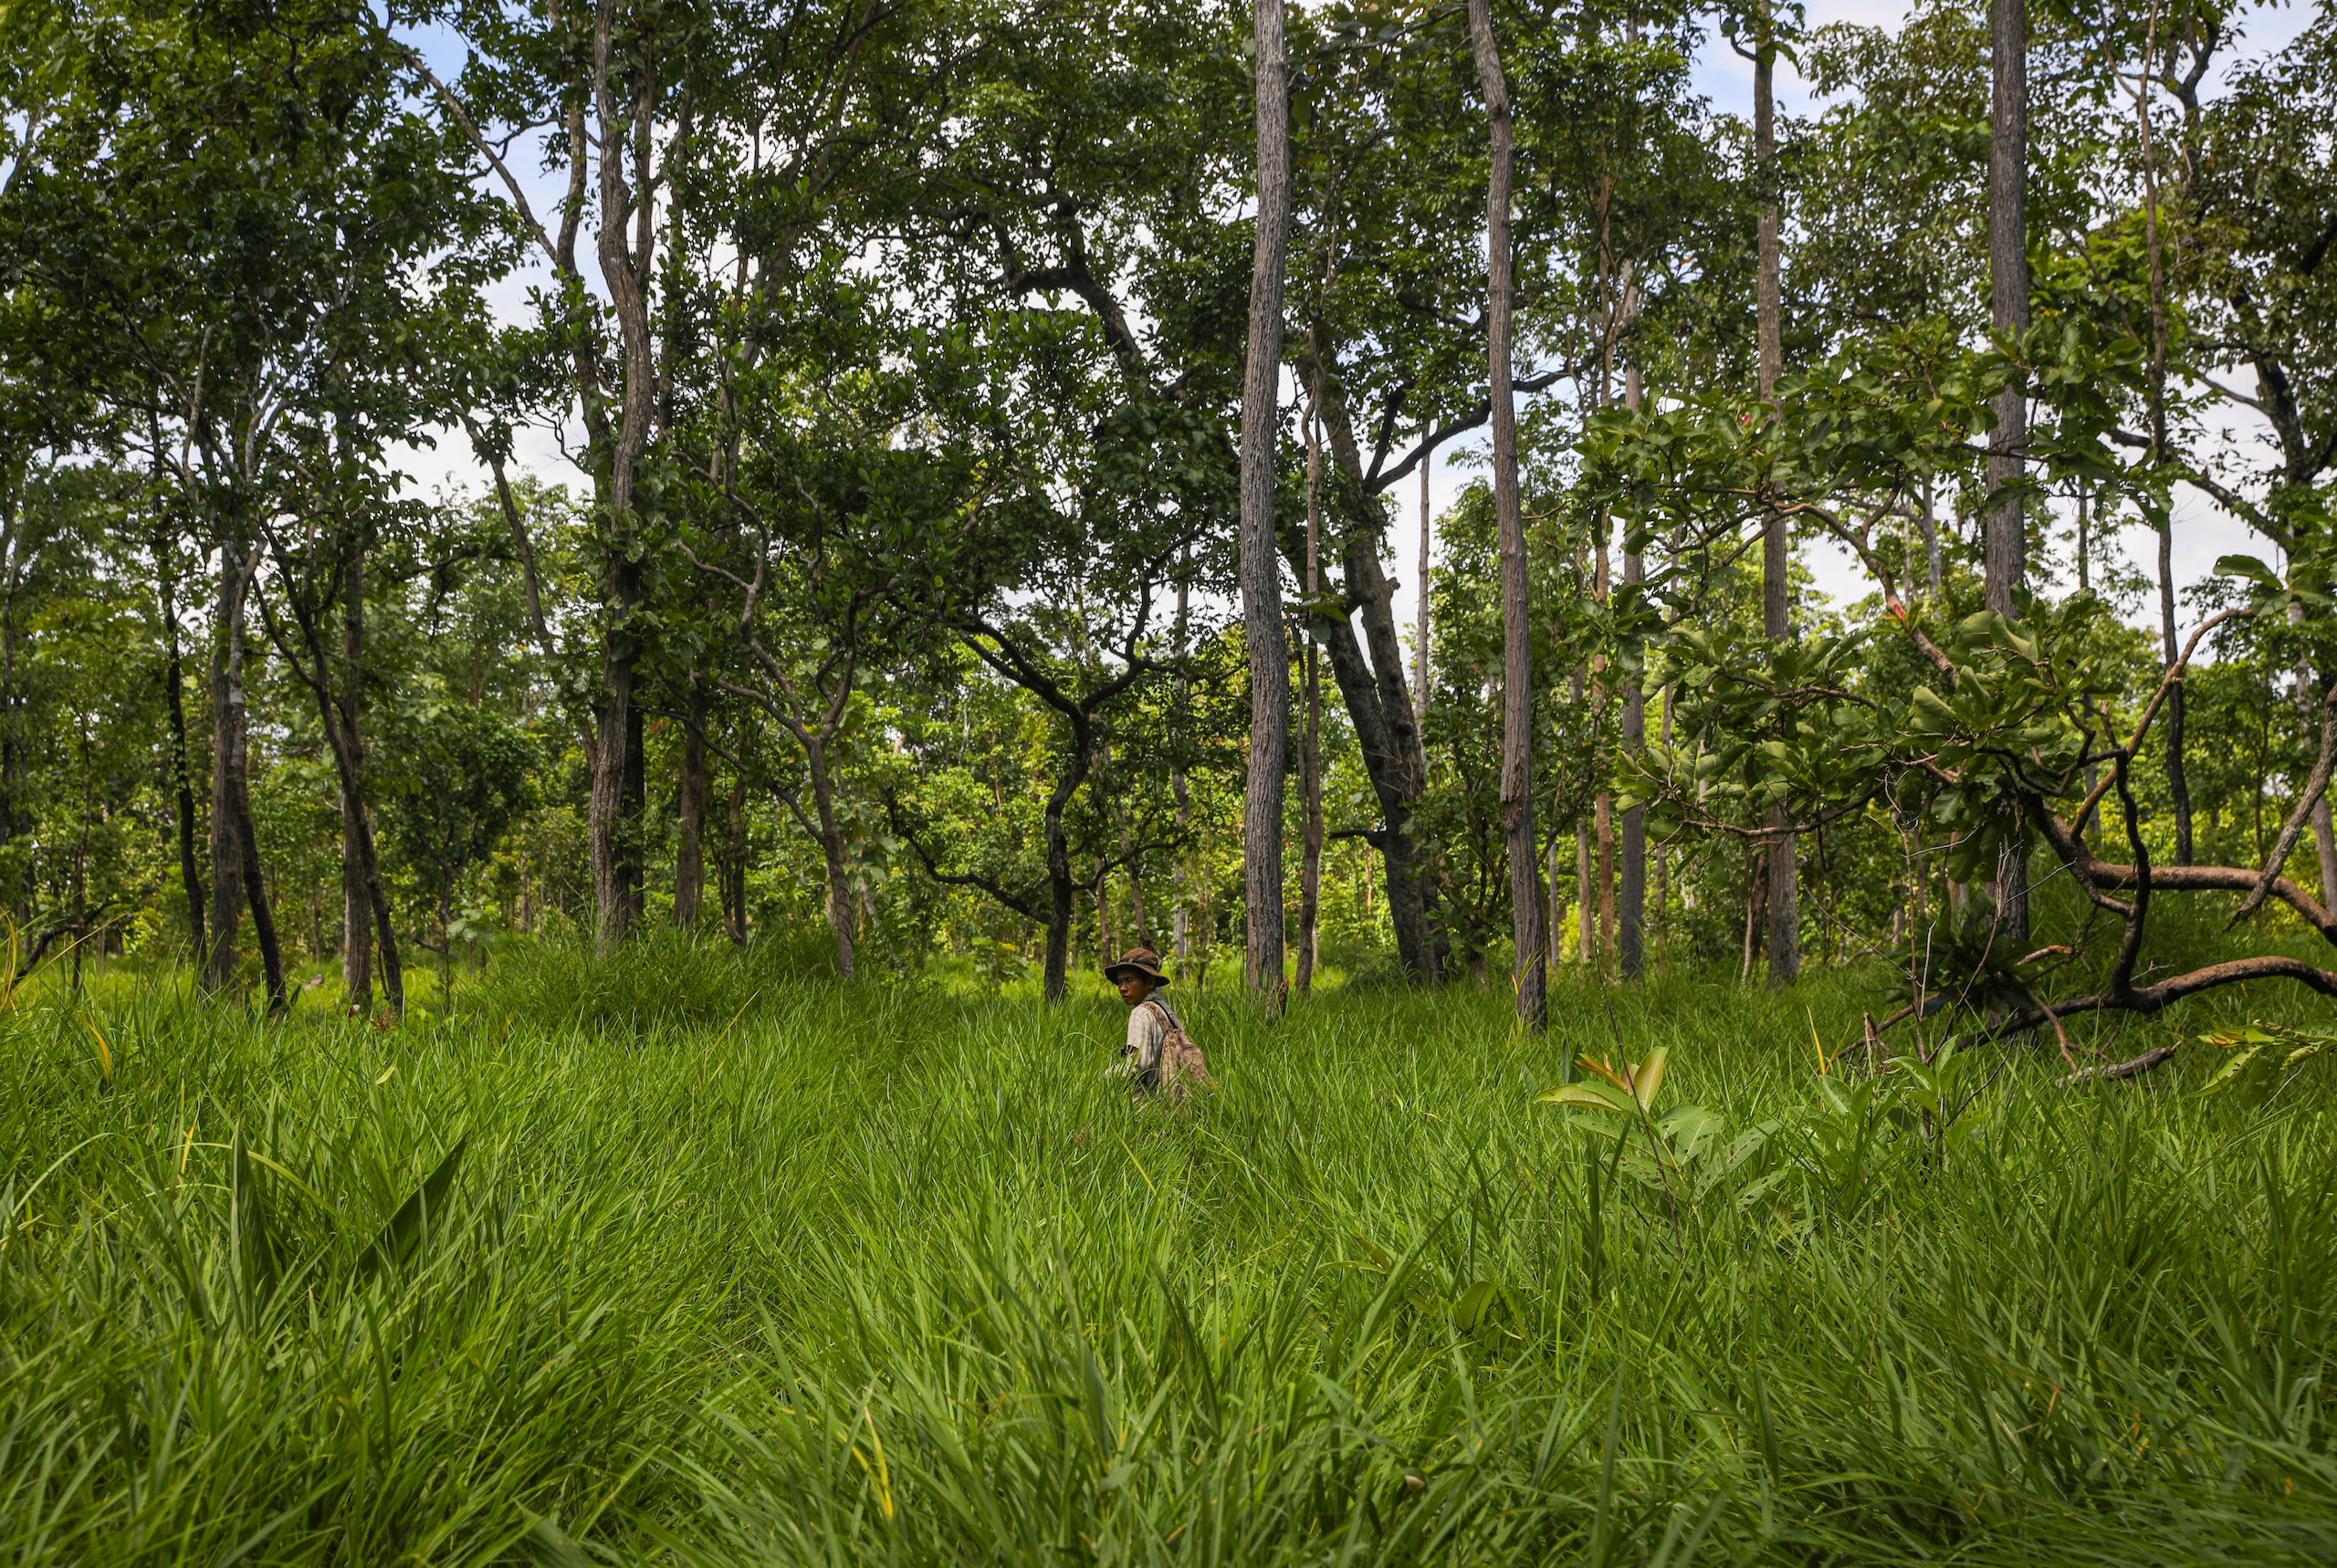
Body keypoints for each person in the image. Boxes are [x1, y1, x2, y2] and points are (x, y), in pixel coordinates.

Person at [1105, 946, 1183, 1095]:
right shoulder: (1167, 1011)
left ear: (1149, 983)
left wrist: (1108, 1075)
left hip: (1147, 1103)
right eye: (1120, 982)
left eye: (1129, 980)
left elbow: (1139, 1064)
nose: (1123, 988)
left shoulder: (1140, 1014)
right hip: (1175, 1099)